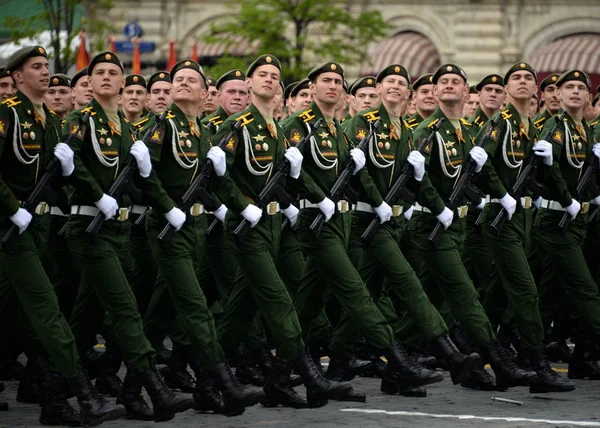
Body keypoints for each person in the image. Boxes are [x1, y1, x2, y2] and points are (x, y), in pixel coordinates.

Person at [285, 61, 443, 397]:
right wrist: (314, 194)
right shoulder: (299, 125)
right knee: (357, 293)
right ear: (312, 88)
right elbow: (287, 175)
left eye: (337, 81)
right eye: (325, 80)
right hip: (315, 223)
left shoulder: (337, 129)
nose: (332, 86)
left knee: (308, 304)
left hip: (338, 222)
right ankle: (398, 361)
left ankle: (279, 374)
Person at [214, 54, 352, 409]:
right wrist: (240, 204)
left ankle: (206, 378)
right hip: (247, 226)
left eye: (274, 76)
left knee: (239, 313)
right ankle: (311, 376)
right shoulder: (238, 125)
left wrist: (298, 194)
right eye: (262, 74)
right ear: (249, 82)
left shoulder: (273, 126)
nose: (270, 80)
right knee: (279, 302)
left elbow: (279, 178)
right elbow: (219, 175)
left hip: (273, 224)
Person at [63, 51, 195, 422]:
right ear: (88, 83)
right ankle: (154, 389)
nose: (106, 78)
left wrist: (163, 201)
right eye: (98, 73)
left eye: (113, 73)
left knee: (84, 321)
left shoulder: (125, 127)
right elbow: (68, 168)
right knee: (125, 310)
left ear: (122, 84)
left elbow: (139, 183)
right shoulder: (80, 119)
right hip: (88, 229)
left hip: (117, 230)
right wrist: (96, 193)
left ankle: (54, 395)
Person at [0, 45, 125, 426]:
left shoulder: (52, 122)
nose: (44, 72)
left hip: (36, 226)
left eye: (46, 66)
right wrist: (11, 207)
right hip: (10, 226)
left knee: (18, 312)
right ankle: (83, 395)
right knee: (48, 311)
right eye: (35, 67)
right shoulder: (7, 115)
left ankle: (53, 399)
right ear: (17, 76)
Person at [409, 63, 536, 391]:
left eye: (456, 82)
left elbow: (479, 172)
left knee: (438, 295)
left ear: (466, 93)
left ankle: (410, 360)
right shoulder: (427, 130)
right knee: (464, 295)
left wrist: (499, 195)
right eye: (443, 82)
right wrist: (439, 207)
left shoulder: (464, 130)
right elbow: (417, 181)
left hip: (458, 223)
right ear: (435, 91)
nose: (449, 86)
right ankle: (497, 361)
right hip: (431, 223)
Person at [533, 70, 600, 381]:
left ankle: (575, 359)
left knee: (550, 294)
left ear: (588, 97)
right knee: (585, 291)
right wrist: (566, 197)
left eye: (580, 88)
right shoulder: (556, 128)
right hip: (556, 220)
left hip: (577, 220)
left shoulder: (584, 130)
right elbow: (549, 173)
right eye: (568, 87)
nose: (575, 92)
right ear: (556, 94)